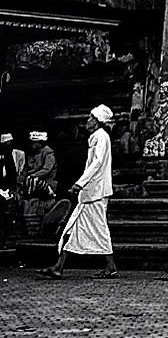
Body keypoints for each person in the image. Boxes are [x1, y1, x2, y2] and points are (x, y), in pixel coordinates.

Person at [42, 107, 116, 279]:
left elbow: (96, 164)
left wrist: (79, 183)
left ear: (97, 120)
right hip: (91, 193)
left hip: (96, 193)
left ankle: (110, 266)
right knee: (73, 228)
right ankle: (59, 266)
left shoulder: (101, 137)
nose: (88, 120)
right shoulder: (97, 137)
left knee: (99, 230)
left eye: (91, 118)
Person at [25, 130, 56, 199]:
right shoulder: (31, 153)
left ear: (40, 143)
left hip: (46, 181)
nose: (32, 144)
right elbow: (28, 167)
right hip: (30, 179)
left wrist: (34, 175)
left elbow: (47, 169)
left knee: (33, 180)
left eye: (34, 142)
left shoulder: (48, 152)